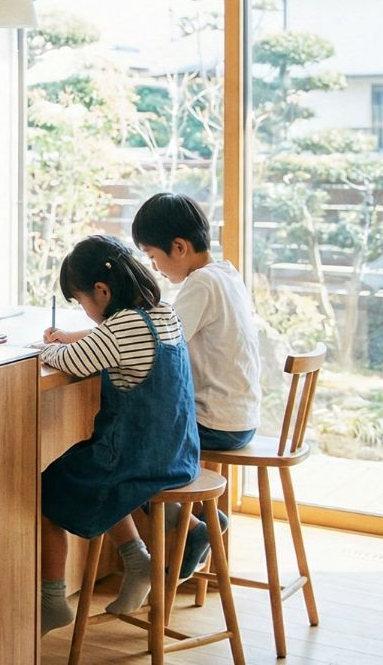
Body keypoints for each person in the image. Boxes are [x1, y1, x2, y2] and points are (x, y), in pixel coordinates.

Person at [39, 235, 199, 633]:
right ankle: (139, 559)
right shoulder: (163, 313)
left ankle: (52, 600)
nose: (85, 311)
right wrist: (82, 337)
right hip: (176, 455)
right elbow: (108, 344)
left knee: (46, 490)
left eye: (82, 302)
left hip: (131, 460)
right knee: (100, 480)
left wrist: (47, 349)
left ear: (102, 291)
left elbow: (72, 362)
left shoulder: (120, 327)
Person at [132, 191, 260, 579]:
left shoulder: (200, 284)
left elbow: (161, 340)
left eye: (153, 257)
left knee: (124, 453)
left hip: (215, 423)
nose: (154, 267)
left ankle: (192, 528)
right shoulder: (226, 273)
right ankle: (201, 521)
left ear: (179, 247)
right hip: (241, 418)